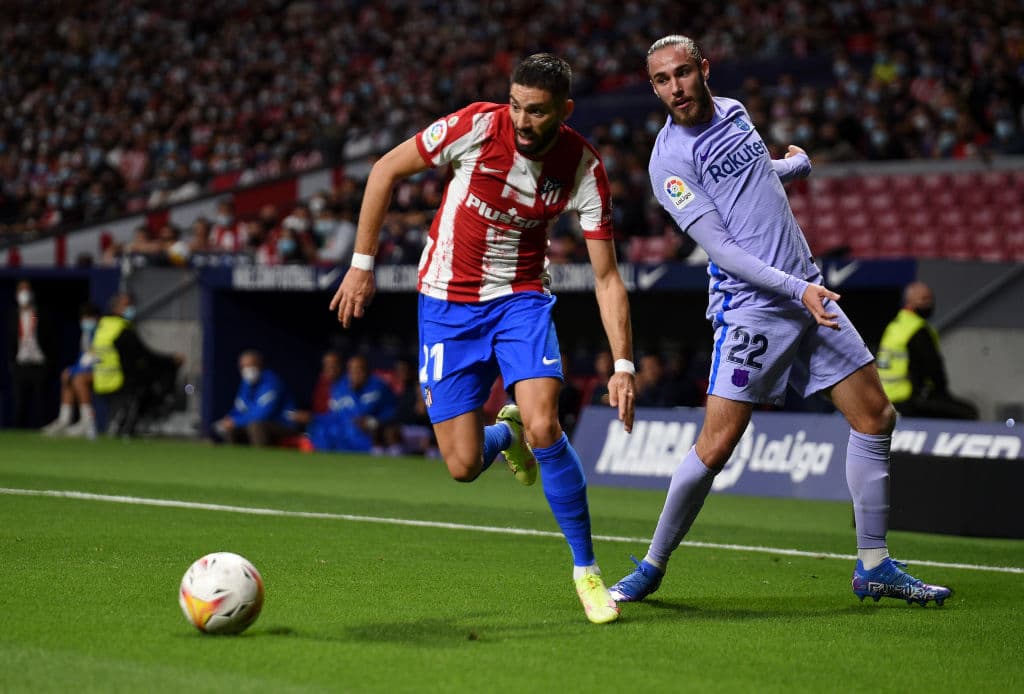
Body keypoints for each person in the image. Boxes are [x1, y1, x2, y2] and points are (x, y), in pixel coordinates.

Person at [609, 36, 951, 607]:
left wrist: (794, 164)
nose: (676, 88)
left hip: (806, 291)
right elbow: (722, 249)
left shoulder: (736, 112)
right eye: (663, 80)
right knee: (716, 447)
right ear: (654, 87)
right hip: (755, 307)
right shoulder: (668, 161)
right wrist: (799, 288)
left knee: (874, 416)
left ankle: (874, 564)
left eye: (684, 74)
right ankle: (651, 565)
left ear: (703, 70)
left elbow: (752, 175)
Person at [329, 54, 637, 624]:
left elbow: (607, 277)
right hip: (446, 302)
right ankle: (505, 433)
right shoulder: (476, 125)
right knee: (463, 464)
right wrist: (361, 264)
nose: (520, 119)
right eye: (516, 105)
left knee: (548, 423)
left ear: (564, 111)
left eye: (536, 111)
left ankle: (587, 570)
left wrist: (623, 364)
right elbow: (383, 171)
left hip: (520, 299)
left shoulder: (582, 168)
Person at [877, 281, 978, 420]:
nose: (929, 303)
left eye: (930, 299)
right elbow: (933, 369)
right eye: (924, 299)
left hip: (886, 397)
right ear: (909, 302)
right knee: (969, 413)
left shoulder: (895, 326)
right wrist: (943, 394)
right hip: (907, 399)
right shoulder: (917, 330)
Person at [92, 292, 183, 437]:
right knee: (156, 379)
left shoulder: (102, 326)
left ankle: (122, 423)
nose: (131, 308)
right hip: (120, 379)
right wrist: (171, 360)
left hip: (101, 379)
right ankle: (129, 426)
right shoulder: (121, 329)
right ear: (117, 307)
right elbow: (144, 355)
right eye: (127, 305)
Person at [303, 354, 398, 453]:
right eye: (351, 371)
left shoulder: (379, 387)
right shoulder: (339, 389)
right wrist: (313, 417)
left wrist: (372, 422)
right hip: (344, 434)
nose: (355, 374)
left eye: (359, 370)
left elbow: (392, 412)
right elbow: (333, 417)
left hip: (370, 434)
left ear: (368, 371)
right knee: (320, 429)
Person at [213, 349, 297, 447]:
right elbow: (240, 408)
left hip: (283, 424)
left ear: (260, 365)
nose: (246, 369)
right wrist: (230, 419)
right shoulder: (246, 383)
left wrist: (236, 421)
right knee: (230, 428)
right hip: (256, 423)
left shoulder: (272, 382)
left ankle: (261, 459)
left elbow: (263, 414)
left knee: (255, 426)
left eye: (250, 365)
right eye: (243, 367)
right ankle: (235, 460)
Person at [42, 302, 101, 437]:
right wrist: (72, 370)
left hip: (102, 371)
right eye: (84, 318)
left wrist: (74, 371)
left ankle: (88, 422)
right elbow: (83, 358)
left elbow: (94, 359)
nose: (86, 321)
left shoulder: (99, 333)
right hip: (89, 371)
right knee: (68, 378)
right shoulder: (85, 334)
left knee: (78, 379)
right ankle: (64, 419)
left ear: (96, 318)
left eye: (89, 318)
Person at [8, 280, 53, 428]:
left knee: (41, 401)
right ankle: (18, 432)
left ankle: (44, 430)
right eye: (21, 290)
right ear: (16, 294)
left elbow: (41, 330)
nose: (24, 293)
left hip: (38, 363)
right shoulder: (13, 316)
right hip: (20, 364)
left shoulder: (36, 315)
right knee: (20, 402)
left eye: (27, 289)